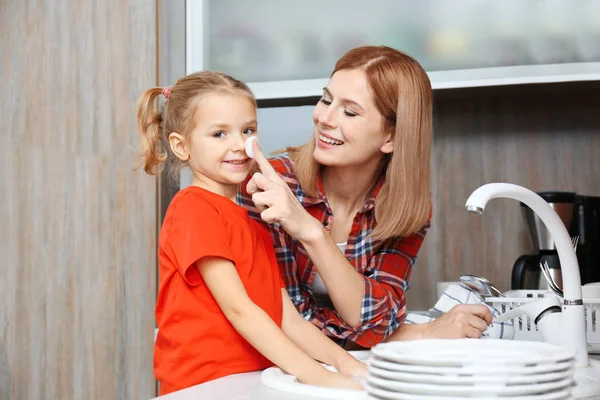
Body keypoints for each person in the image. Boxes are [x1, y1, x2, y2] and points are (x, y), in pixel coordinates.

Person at [240, 46, 493, 350]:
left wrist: (313, 234)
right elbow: (285, 320)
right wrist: (421, 332)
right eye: (326, 99)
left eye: (349, 111)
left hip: (345, 368)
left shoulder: (404, 209)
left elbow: (377, 321)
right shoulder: (270, 186)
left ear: (391, 137)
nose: (325, 118)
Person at [136, 71, 366, 395]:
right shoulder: (193, 209)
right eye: (219, 134)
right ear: (181, 146)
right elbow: (239, 309)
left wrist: (348, 365)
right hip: (202, 386)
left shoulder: (255, 221)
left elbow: (288, 320)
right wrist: (318, 376)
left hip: (252, 382)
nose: (238, 145)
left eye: (247, 130)